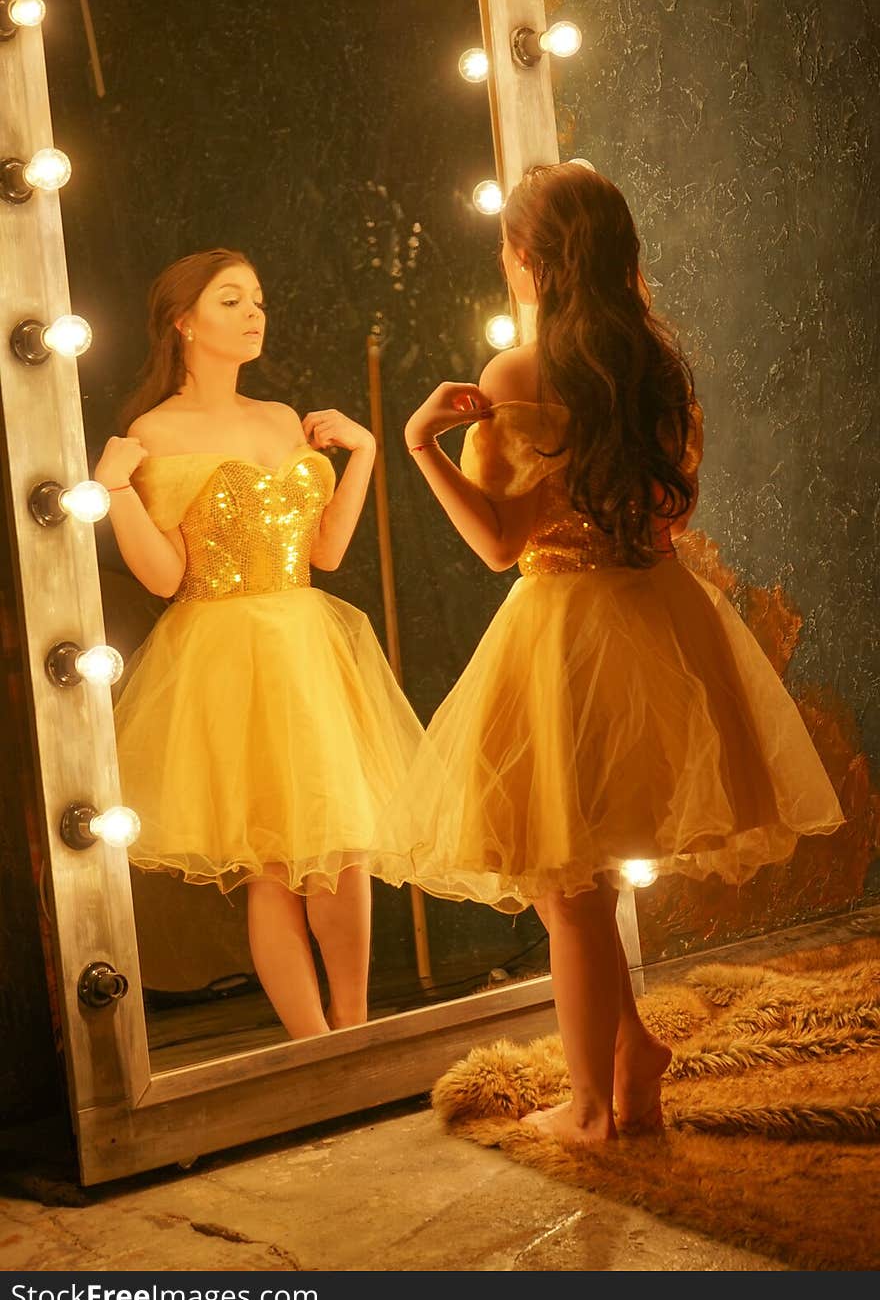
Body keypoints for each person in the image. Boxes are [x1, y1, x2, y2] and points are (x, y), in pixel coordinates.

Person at [370, 164, 845, 1145]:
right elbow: (670, 504)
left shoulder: (518, 375)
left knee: (566, 883)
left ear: (530, 259)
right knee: (575, 878)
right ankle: (629, 1062)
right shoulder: (655, 369)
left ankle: (591, 1106)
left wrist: (419, 443)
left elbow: (500, 543)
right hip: (662, 613)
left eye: (510, 248)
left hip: (566, 630)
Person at [94, 248, 424, 1042]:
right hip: (226, 652)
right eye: (232, 301)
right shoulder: (157, 430)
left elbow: (328, 554)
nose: (254, 315)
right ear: (184, 321)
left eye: (259, 302)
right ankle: (314, 1051)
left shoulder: (280, 419)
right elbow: (165, 575)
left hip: (307, 642)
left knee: (341, 849)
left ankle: (355, 1032)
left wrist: (366, 454)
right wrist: (111, 492)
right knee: (274, 867)